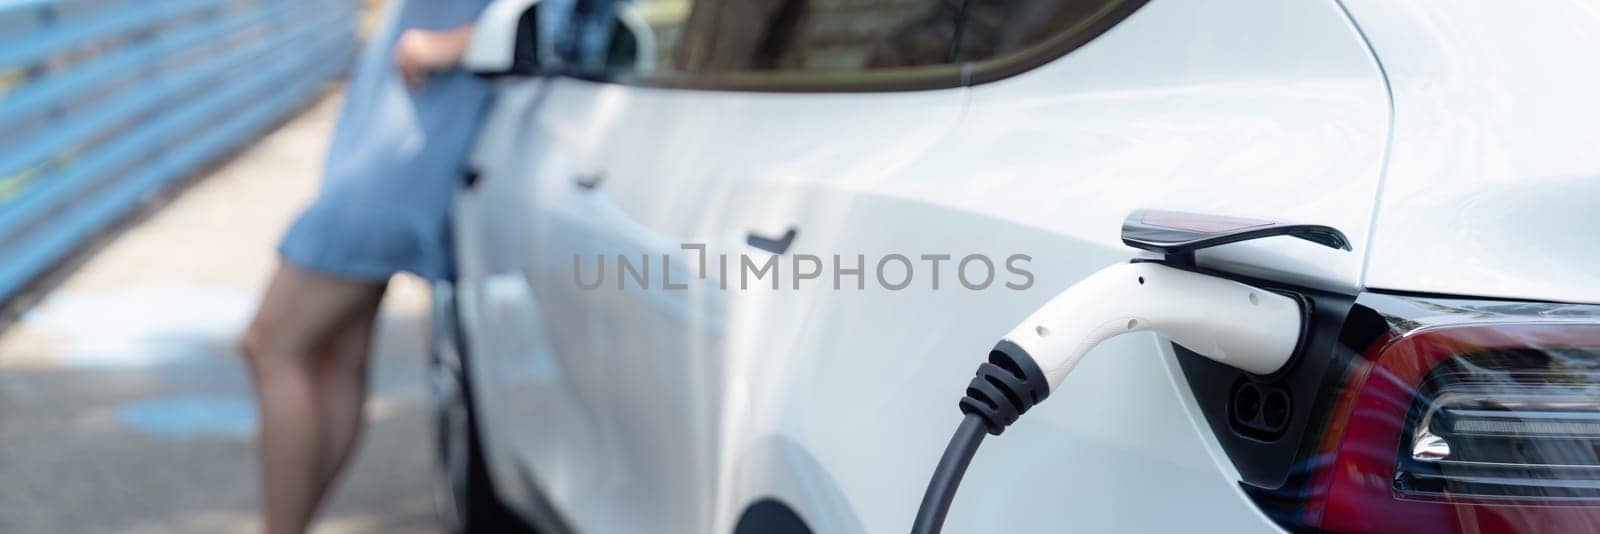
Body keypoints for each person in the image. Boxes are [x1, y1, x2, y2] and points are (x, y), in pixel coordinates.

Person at [238, 1, 492, 533]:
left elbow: (555, 16)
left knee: (271, 342)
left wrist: (454, 44)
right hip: (395, 121)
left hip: (413, 131)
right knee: (335, 354)